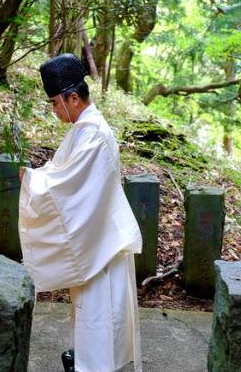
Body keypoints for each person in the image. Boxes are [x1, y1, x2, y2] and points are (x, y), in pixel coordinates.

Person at [17, 53, 143, 372]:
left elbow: (71, 187)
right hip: (96, 241)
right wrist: (39, 177)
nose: (54, 110)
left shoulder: (94, 134)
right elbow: (64, 173)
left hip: (101, 247)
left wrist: (34, 181)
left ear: (73, 98)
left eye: (55, 103)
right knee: (89, 320)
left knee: (98, 321)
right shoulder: (83, 130)